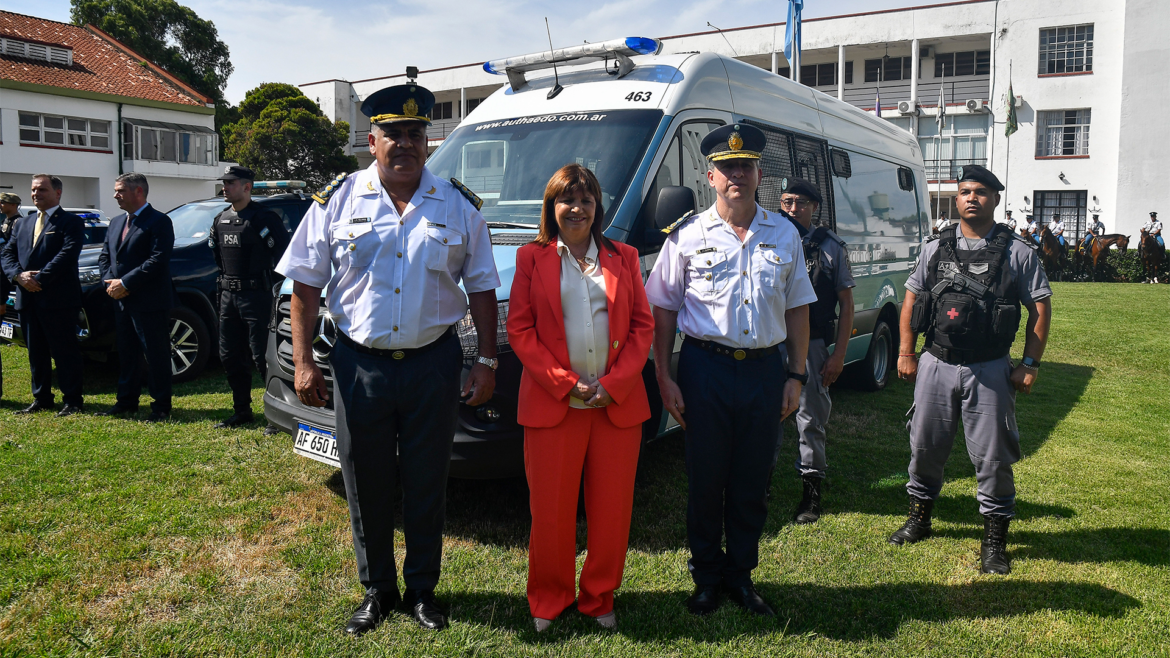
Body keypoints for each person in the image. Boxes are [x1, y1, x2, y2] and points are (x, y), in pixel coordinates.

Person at [276, 82, 500, 635]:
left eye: (415, 133)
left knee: (427, 479)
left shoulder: (457, 204)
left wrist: (487, 361)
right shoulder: (338, 201)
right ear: (371, 141)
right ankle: (377, 589)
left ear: (429, 141)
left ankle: (423, 590)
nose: (404, 143)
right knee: (365, 478)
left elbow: (483, 289)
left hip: (433, 363)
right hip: (361, 365)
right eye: (392, 134)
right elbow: (304, 286)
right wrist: (304, 362)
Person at [645, 123, 816, 617]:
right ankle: (705, 577)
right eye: (726, 167)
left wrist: (796, 375)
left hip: (766, 372)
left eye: (745, 166)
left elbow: (798, 308)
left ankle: (740, 577)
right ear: (710, 175)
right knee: (705, 478)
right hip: (705, 370)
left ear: (759, 173)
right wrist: (664, 375)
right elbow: (663, 311)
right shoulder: (686, 235)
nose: (736, 174)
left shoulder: (784, 233)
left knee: (750, 479)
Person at [507, 164, 654, 633]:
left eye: (586, 199)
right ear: (552, 207)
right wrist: (563, 381)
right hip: (555, 405)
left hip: (616, 407)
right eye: (567, 199)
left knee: (612, 511)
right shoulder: (530, 258)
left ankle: (599, 595)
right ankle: (549, 598)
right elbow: (520, 329)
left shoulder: (625, 256)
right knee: (550, 511)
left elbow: (642, 327)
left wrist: (615, 385)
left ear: (598, 207)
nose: (577, 208)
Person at [892, 164, 1052, 575]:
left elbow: (1039, 309)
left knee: (993, 457)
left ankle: (994, 540)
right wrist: (907, 351)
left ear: (995, 199)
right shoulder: (934, 247)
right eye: (964, 191)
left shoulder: (1018, 252)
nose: (971, 198)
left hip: (989, 369)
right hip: (936, 362)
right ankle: (919, 519)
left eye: (980, 192)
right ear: (957, 197)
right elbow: (912, 299)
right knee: (924, 446)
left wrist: (1030, 363)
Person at [776, 178, 854, 524]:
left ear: (815, 207)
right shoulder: (770, 237)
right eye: (788, 202)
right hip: (771, 343)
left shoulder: (830, 247)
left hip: (815, 344)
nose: (794, 209)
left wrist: (839, 355)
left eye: (802, 203)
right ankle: (759, 484)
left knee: (810, 418)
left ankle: (811, 493)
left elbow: (847, 303)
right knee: (766, 416)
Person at [209, 166, 290, 429]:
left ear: (247, 187)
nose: (225, 187)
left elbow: (285, 257)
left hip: (258, 297)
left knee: (261, 356)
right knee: (230, 355)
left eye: (231, 183)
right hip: (229, 298)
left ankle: (276, 415)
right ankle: (241, 410)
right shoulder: (220, 219)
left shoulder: (264, 218)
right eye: (224, 182)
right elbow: (218, 259)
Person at [1, 174, 84, 416]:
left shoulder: (70, 222)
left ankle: (73, 401)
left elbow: (68, 254)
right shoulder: (23, 223)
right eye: (33, 190)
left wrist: (40, 278)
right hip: (27, 298)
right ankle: (42, 398)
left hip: (58, 299)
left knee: (64, 351)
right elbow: (7, 254)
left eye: (42, 190)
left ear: (58, 193)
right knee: (35, 352)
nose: (36, 194)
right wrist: (19, 276)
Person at [95, 173, 175, 422]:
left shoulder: (159, 221)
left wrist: (126, 283)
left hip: (149, 301)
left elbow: (157, 260)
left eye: (120, 190)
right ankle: (126, 402)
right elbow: (105, 257)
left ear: (138, 191)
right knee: (126, 353)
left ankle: (161, 406)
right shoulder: (117, 222)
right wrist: (110, 282)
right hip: (121, 301)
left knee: (155, 355)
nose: (115, 195)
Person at [0, 192, 24, 400]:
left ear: (13, 205)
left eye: (3, 202)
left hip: (11, 279)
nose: (0, 205)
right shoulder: (6, 222)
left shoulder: (19, 224)